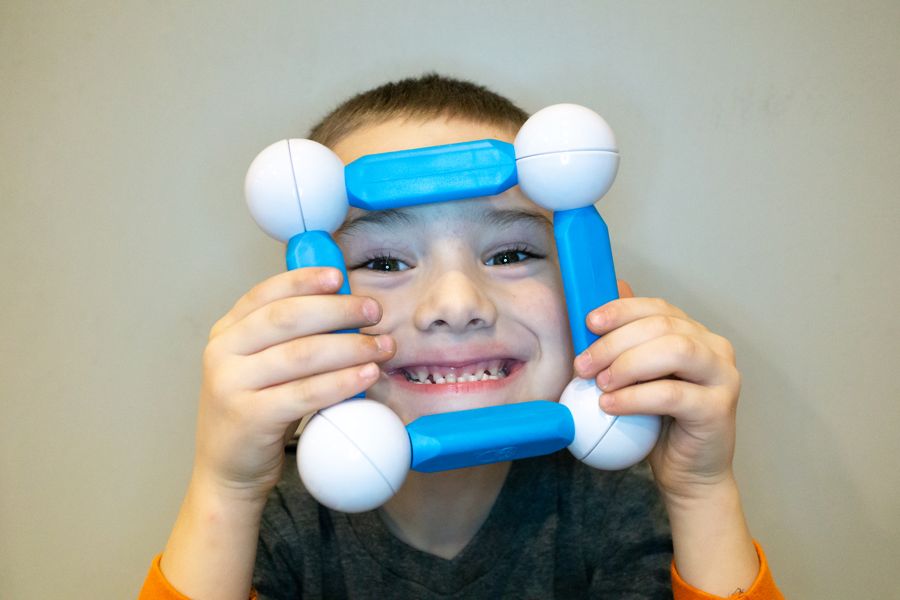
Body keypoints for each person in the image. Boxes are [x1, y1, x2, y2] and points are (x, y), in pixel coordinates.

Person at [140, 74, 782, 599]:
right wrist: (223, 489)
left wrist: (702, 492)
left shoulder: (616, 509)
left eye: (509, 254)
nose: (456, 304)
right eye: (385, 263)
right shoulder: (275, 524)